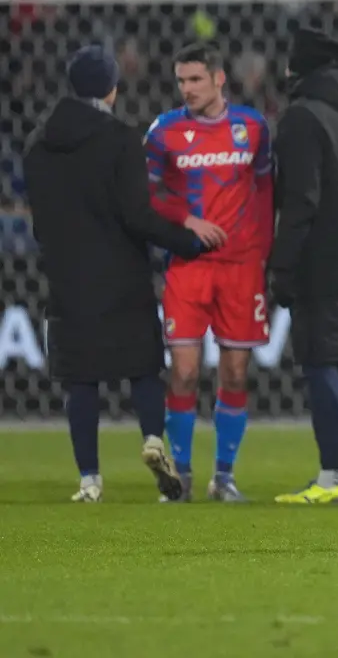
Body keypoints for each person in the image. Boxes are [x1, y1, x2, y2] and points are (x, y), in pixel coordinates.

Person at [24, 45, 205, 502]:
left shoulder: (37, 144)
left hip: (66, 276)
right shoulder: (121, 139)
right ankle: (151, 440)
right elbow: (137, 216)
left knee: (80, 380)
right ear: (111, 89)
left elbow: (42, 222)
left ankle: (89, 479)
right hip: (121, 273)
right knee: (143, 369)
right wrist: (189, 241)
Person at [145, 44, 273, 502]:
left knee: (235, 373)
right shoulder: (164, 131)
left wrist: (260, 250)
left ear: (219, 79)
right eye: (181, 81)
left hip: (240, 270)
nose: (187, 89)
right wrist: (187, 220)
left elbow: (263, 189)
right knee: (183, 371)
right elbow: (148, 195)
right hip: (189, 267)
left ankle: (225, 476)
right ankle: (180, 477)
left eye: (196, 79)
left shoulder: (252, 128)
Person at [270, 29, 338, 505]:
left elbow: (301, 201)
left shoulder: (301, 117)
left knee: (319, 362)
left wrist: (283, 265)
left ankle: (330, 477)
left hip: (319, 257)